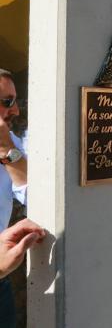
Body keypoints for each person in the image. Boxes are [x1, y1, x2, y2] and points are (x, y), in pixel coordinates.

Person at [0, 69, 29, 325]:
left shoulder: (13, 145)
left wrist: (5, 151)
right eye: (7, 102)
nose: (16, 111)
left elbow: (35, 194)